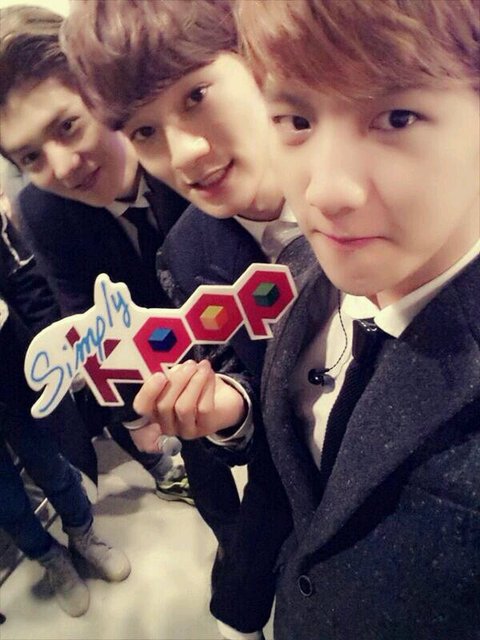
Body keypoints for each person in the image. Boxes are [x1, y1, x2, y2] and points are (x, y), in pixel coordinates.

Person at [69, 0, 480, 637]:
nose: (185, 153)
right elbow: (284, 428)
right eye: (297, 120)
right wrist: (228, 414)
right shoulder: (230, 257)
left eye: (396, 117)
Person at [61, 1, 297, 638]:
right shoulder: (189, 254)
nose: (186, 154)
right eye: (144, 132)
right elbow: (253, 405)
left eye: (196, 96)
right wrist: (227, 414)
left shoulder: (363, 166)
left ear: (253, 60)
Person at [0, 5, 192, 504]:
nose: (63, 167)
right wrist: (132, 413)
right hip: (171, 390)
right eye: (30, 157)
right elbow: (88, 321)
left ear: (102, 93)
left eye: (67, 126)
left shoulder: (186, 146)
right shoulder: (43, 211)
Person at [0, 200, 130, 618]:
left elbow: (24, 279)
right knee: (5, 501)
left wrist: (58, 351)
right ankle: (49, 557)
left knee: (49, 460)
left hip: (8, 361)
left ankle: (83, 533)